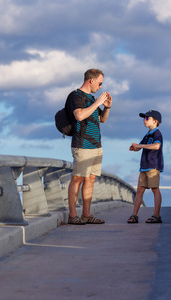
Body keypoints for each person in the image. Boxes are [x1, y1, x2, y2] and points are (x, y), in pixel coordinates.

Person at [66, 69, 113, 225]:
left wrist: (106, 107)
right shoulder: (75, 96)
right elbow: (79, 115)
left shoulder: (91, 98)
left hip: (96, 146)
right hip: (82, 145)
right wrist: (98, 102)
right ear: (91, 81)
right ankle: (73, 216)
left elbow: (101, 119)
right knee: (78, 179)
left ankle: (86, 215)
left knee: (90, 179)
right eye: (99, 83)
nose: (100, 87)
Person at [127, 110, 164, 224]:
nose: (144, 120)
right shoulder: (148, 134)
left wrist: (140, 145)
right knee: (140, 190)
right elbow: (140, 147)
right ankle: (134, 215)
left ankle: (156, 215)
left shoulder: (157, 133)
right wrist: (136, 148)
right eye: (144, 118)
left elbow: (157, 146)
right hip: (144, 166)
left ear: (155, 121)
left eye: (147, 118)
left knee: (154, 189)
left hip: (153, 166)